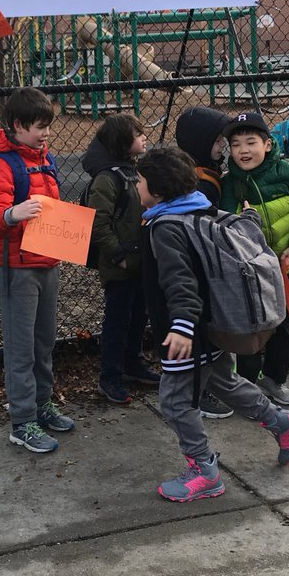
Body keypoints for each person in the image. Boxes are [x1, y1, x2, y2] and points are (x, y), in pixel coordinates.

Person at [138, 147, 289, 503]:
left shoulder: (165, 228)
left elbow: (180, 282)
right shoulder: (200, 209)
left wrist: (182, 326)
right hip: (213, 325)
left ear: (157, 190)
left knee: (173, 402)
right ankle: (283, 423)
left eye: (139, 180)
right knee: (225, 382)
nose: (135, 185)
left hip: (187, 333)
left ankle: (204, 470)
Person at [0, 87, 76, 454]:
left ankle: (42, 405)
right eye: (40, 126)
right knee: (21, 346)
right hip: (17, 267)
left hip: (47, 260)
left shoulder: (42, 159)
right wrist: (12, 214)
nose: (46, 133)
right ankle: (22, 421)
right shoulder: (3, 165)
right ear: (18, 126)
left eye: (48, 126)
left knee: (44, 341)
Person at [219, 111, 289, 405]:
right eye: (236, 144)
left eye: (251, 142)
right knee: (250, 328)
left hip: (282, 267)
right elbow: (223, 226)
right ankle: (247, 383)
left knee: (283, 326)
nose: (243, 150)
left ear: (267, 144)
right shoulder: (229, 185)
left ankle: (274, 380)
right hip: (247, 273)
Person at [81, 112, 158, 404]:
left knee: (140, 315)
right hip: (120, 265)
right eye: (138, 134)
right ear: (124, 142)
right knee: (118, 320)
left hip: (139, 262)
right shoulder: (107, 179)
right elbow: (98, 223)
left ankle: (132, 363)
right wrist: (118, 255)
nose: (144, 137)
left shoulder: (133, 172)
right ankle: (109, 376)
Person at [174, 104, 235, 421]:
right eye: (217, 141)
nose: (223, 145)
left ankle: (211, 385)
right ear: (200, 142)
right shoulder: (199, 183)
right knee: (201, 333)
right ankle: (202, 391)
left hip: (204, 266)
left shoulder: (207, 175)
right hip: (199, 269)